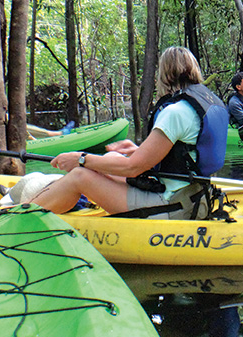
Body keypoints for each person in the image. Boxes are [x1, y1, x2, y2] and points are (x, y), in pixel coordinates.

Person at [31, 46, 229, 219]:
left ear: (165, 74)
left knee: (79, 176)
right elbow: (187, 154)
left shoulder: (174, 112)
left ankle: (19, 217)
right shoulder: (204, 104)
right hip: (195, 198)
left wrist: (80, 159)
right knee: (112, 156)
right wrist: (139, 150)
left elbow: (133, 168)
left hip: (173, 206)